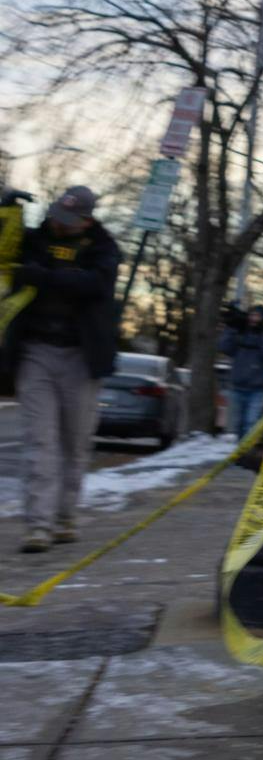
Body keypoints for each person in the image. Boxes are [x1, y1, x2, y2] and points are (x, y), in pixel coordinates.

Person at [4, 186, 122, 555]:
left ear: (86, 220)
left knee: (74, 443)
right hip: (36, 351)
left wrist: (45, 276)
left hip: (81, 358)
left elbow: (95, 284)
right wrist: (6, 211)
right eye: (58, 214)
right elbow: (5, 252)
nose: (60, 222)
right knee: (40, 442)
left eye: (70, 220)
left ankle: (63, 518)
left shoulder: (103, 248)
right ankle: (38, 525)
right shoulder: (34, 240)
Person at [219, 304, 263, 438]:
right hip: (237, 387)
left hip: (257, 390)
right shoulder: (240, 332)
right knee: (237, 425)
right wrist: (231, 328)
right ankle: (240, 454)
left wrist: (260, 335)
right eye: (251, 315)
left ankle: (247, 454)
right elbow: (224, 347)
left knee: (250, 424)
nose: (254, 319)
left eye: (257, 316)